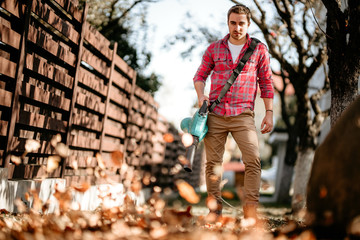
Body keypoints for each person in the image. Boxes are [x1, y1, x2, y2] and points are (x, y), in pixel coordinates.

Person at [193, 4, 274, 220]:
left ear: (248, 24)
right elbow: (199, 76)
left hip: (243, 115)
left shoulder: (259, 50)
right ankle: (214, 212)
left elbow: (266, 82)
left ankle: (250, 213)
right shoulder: (214, 49)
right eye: (233, 23)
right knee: (213, 165)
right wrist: (201, 96)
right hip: (216, 113)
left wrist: (269, 112)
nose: (237, 27)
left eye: (241, 23)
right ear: (228, 23)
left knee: (253, 161)